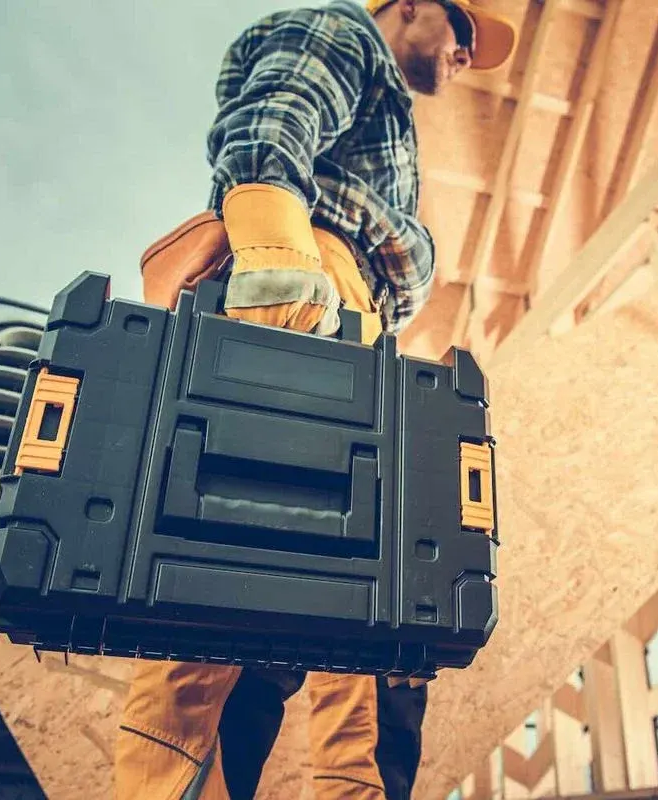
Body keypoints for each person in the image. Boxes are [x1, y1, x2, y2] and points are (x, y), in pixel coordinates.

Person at [114, 2, 517, 799]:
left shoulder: (387, 108)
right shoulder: (344, 33)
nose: (468, 54)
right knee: (217, 597)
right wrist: (274, 258)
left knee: (348, 611)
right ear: (408, 6)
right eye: (463, 31)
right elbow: (271, 124)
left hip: (346, 317)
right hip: (308, 292)